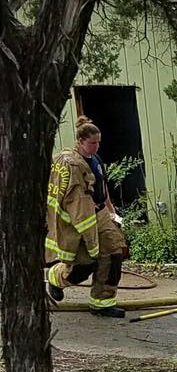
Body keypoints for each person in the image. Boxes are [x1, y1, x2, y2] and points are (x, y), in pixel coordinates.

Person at [45, 116, 128, 317]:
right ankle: (56, 277)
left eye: (99, 142)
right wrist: (89, 237)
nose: (97, 147)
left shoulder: (96, 160)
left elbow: (102, 185)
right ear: (80, 141)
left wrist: (111, 210)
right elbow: (77, 204)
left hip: (99, 213)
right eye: (92, 143)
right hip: (79, 220)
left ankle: (102, 302)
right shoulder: (72, 165)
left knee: (114, 254)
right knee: (86, 263)